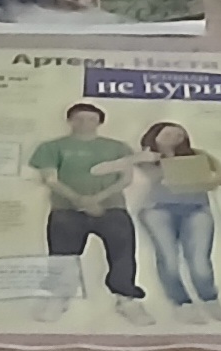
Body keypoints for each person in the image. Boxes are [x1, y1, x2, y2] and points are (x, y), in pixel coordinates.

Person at [27, 101, 146, 324]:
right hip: (66, 209)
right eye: (79, 118)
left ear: (100, 122)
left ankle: (126, 298)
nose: (85, 123)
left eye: (91, 119)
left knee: (122, 253)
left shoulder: (117, 148)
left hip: (111, 208)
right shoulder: (52, 147)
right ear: (70, 121)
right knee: (62, 255)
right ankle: (58, 298)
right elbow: (50, 179)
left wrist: (95, 199)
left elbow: (125, 179)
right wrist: (79, 200)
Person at [131, 120, 221, 322]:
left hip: (196, 209)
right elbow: (125, 170)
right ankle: (181, 303)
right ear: (154, 135)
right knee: (168, 259)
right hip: (158, 210)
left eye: (179, 135)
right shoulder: (146, 157)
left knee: (199, 260)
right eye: (168, 134)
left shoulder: (197, 155)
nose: (174, 138)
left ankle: (210, 300)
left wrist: (205, 182)